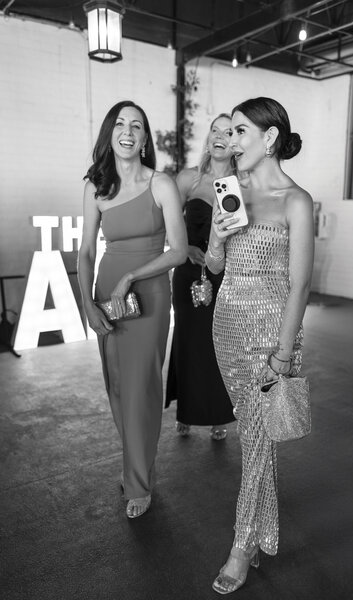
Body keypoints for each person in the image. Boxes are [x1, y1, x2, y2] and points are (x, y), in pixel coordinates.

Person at [206, 97, 314, 594]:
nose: (232, 142)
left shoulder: (296, 201)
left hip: (271, 337)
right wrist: (215, 239)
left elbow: (299, 287)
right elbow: (214, 267)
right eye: (230, 133)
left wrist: (283, 355)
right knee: (257, 436)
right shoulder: (230, 189)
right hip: (226, 327)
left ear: (269, 139)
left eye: (241, 132)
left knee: (254, 441)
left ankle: (241, 546)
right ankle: (262, 529)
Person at [78, 100, 187, 519]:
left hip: (149, 297)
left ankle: (138, 483)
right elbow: (87, 250)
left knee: (141, 387)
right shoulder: (95, 187)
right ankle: (138, 466)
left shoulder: (160, 183)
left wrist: (130, 277)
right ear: (110, 133)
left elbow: (177, 251)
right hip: (107, 296)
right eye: (120, 124)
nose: (128, 131)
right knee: (119, 386)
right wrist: (86, 301)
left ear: (144, 139)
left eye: (136, 125)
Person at [165, 114, 235, 440]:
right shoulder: (188, 179)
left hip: (225, 276)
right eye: (215, 129)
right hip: (190, 273)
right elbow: (167, 224)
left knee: (218, 344)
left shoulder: (243, 183)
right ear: (208, 138)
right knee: (189, 342)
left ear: (236, 141)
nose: (220, 135)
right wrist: (185, 247)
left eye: (229, 131)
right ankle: (187, 410)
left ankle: (219, 413)